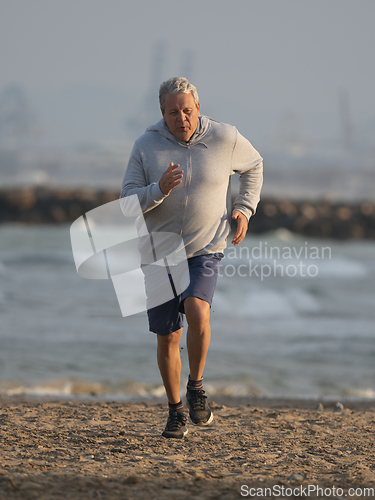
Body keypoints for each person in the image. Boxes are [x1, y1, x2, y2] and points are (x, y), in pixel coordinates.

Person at [121, 77, 263, 439]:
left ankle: (196, 387)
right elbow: (127, 203)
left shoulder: (225, 138)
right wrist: (159, 190)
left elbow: (255, 166)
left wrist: (244, 209)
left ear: (198, 108)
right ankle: (175, 411)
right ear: (162, 114)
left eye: (187, 110)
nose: (181, 118)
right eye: (173, 112)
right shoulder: (145, 146)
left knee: (198, 309)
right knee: (168, 336)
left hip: (205, 247)